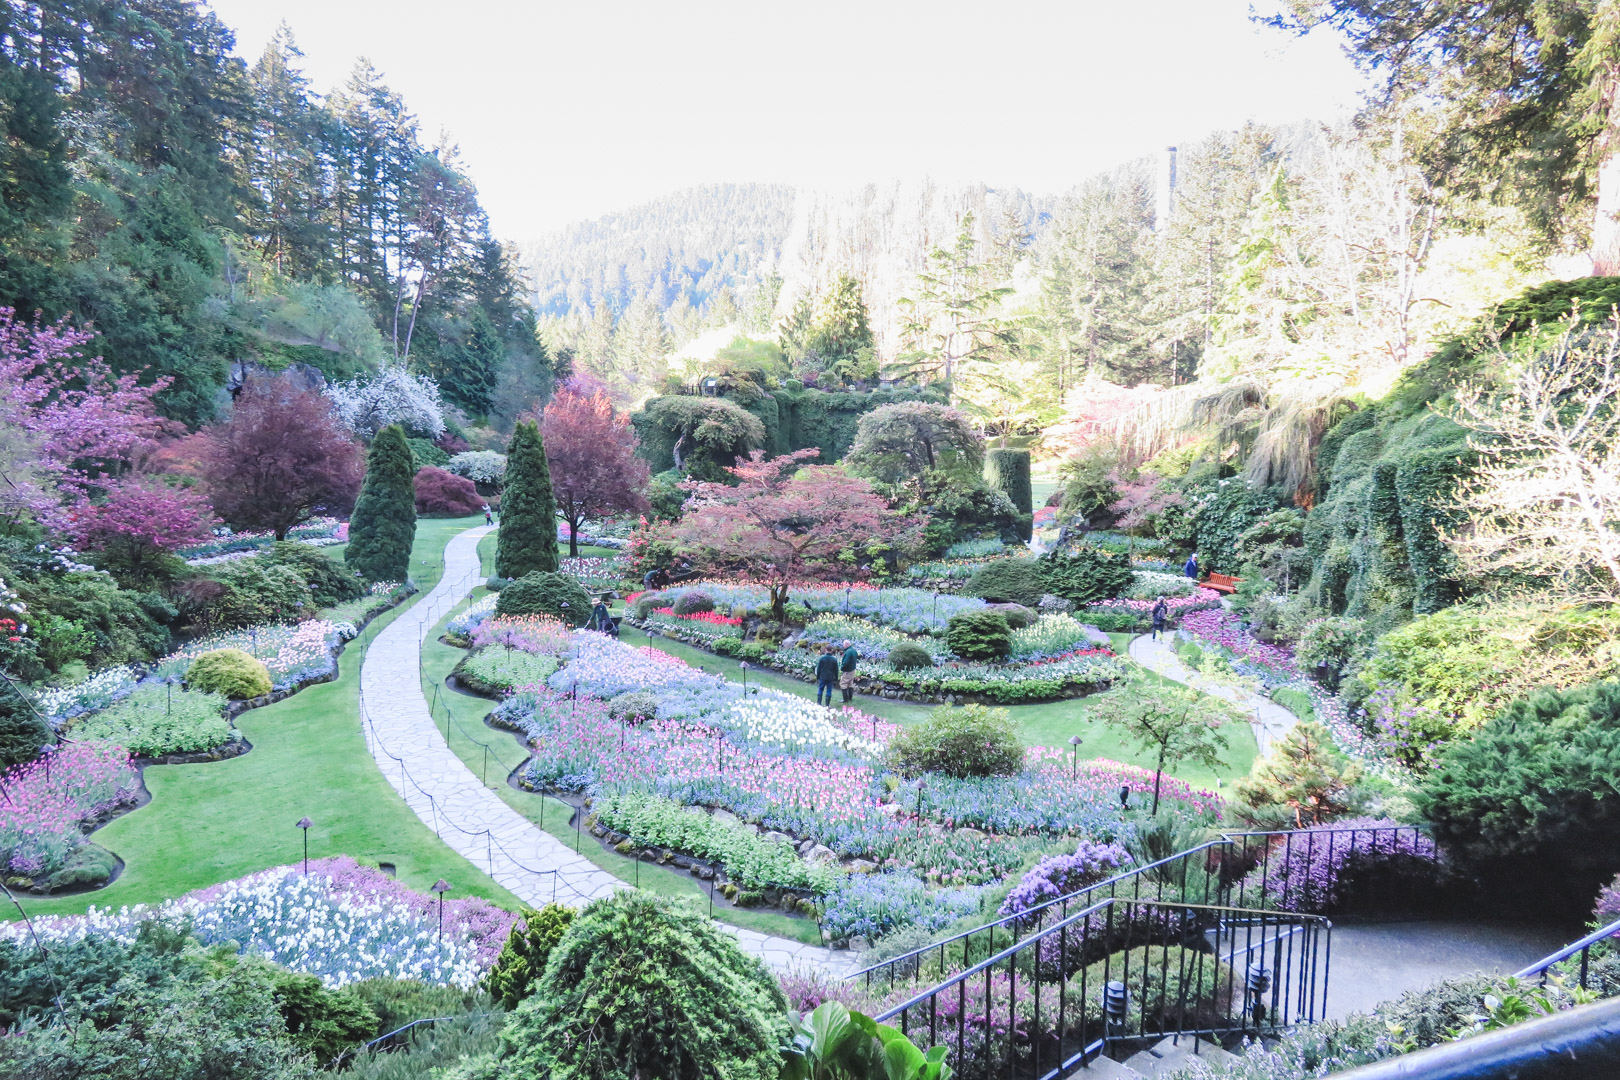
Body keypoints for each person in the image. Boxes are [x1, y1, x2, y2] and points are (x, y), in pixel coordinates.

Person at [839, 638, 859, 703]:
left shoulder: (848, 652)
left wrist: (842, 668)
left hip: (847, 670)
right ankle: (850, 698)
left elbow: (845, 663)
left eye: (843, 645)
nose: (843, 646)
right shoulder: (854, 651)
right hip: (853, 669)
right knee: (850, 683)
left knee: (843, 684)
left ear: (846, 645)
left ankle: (845, 699)